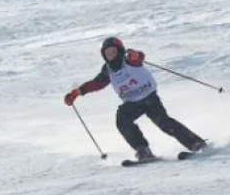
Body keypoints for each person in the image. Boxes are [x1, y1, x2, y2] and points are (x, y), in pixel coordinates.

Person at [64, 36, 206, 161]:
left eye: (113, 51)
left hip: (149, 97)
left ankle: (195, 143)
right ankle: (143, 150)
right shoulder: (107, 70)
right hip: (132, 103)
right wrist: (77, 92)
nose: (111, 55)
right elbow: (96, 84)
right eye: (107, 54)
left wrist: (135, 55)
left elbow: (139, 58)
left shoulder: (129, 60)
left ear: (119, 50)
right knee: (122, 119)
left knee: (163, 122)